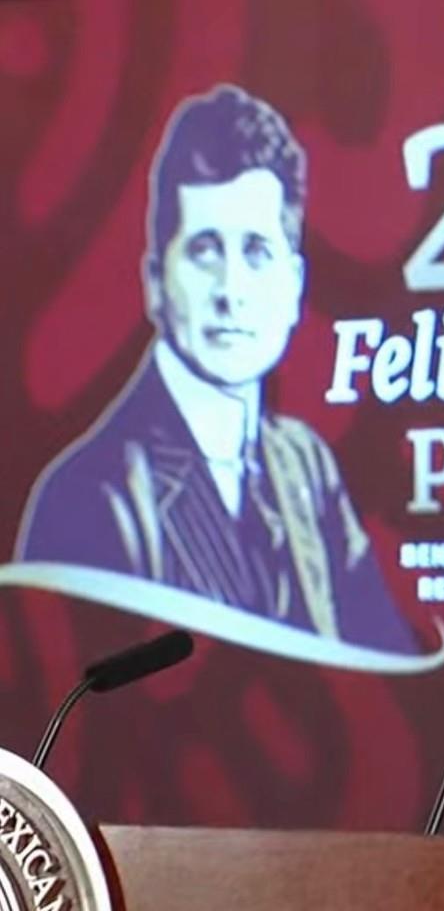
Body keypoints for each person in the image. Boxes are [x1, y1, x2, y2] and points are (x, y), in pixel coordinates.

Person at [16, 84, 417, 655]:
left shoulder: (305, 467)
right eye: (205, 249)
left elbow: (385, 672)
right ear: (156, 280)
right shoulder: (90, 497)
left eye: (256, 251)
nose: (231, 291)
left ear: (294, 285)